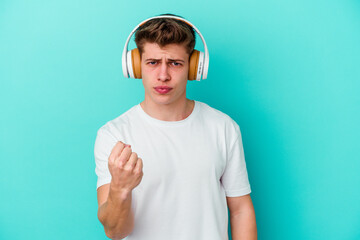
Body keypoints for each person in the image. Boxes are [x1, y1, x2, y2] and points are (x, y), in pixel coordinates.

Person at [94, 14, 257, 240]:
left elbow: (240, 210)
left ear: (193, 67)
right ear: (135, 66)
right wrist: (120, 189)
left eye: (175, 63)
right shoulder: (113, 135)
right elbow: (115, 232)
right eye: (152, 63)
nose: (163, 75)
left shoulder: (223, 127)